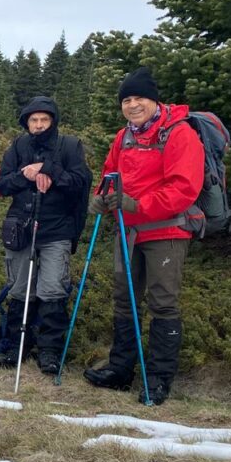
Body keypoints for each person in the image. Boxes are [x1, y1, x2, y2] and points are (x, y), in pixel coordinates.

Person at [84, 68, 204, 405]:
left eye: (139, 98)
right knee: (124, 299)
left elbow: (184, 188)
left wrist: (137, 205)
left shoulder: (179, 134)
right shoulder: (124, 137)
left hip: (166, 231)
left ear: (154, 100)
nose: (133, 105)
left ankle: (158, 379)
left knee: (163, 302)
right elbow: (111, 175)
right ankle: (121, 370)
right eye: (127, 99)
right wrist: (103, 197)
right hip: (128, 230)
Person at [0, 96, 92, 374]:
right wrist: (28, 175)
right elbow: (3, 183)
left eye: (44, 120)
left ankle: (49, 352)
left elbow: (81, 182)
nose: (38, 125)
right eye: (33, 120)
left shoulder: (69, 146)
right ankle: (15, 346)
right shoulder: (18, 146)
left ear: (53, 121)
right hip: (21, 229)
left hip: (57, 230)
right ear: (26, 122)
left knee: (52, 290)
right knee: (20, 289)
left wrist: (49, 170)